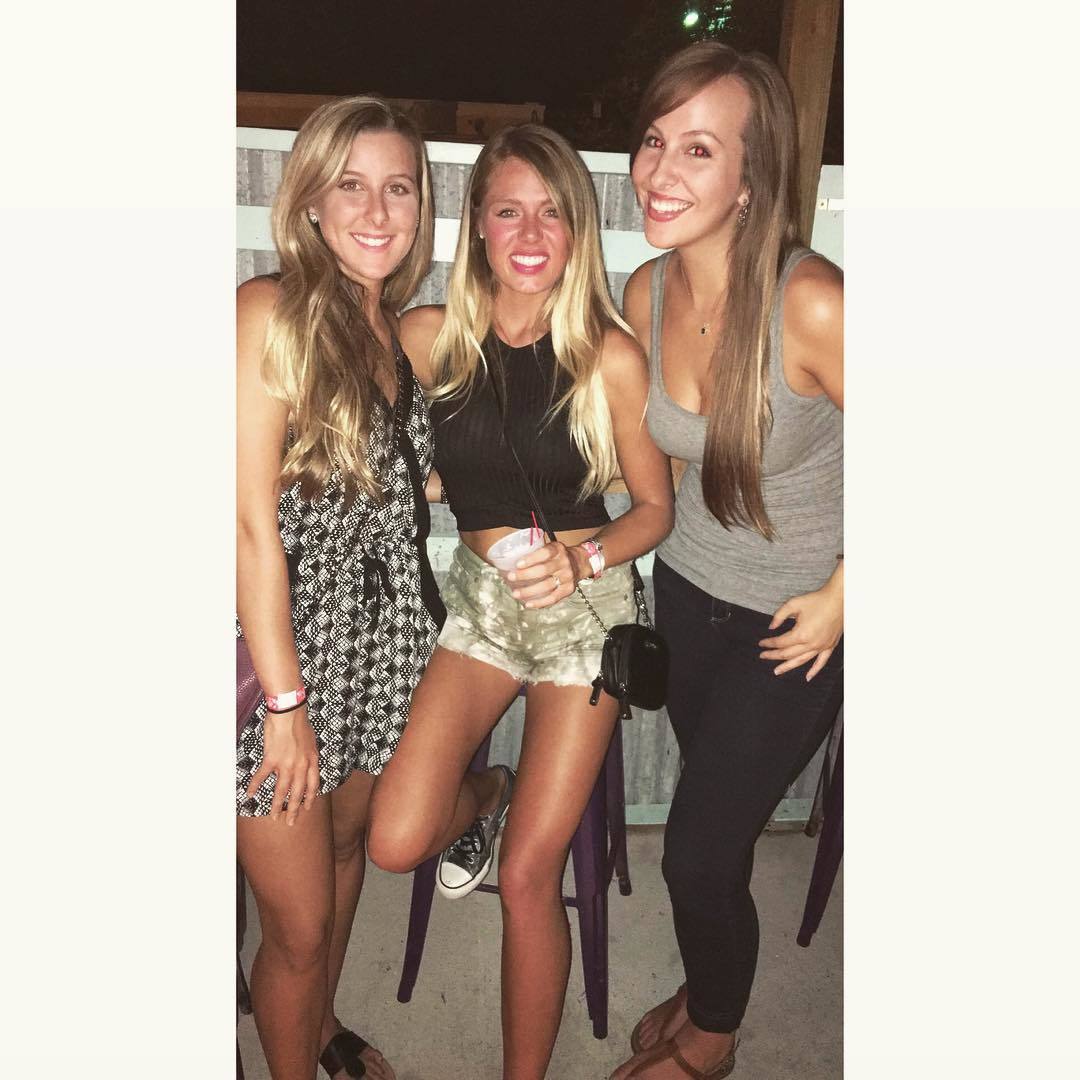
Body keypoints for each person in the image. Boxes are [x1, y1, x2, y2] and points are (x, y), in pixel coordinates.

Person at [366, 123, 674, 1078]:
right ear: (478, 224)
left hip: (588, 619)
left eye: (551, 212)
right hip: (483, 607)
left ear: (577, 228)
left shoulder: (609, 357)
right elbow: (398, 454)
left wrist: (584, 564)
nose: (530, 233)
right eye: (508, 210)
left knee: (530, 876)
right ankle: (489, 792)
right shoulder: (426, 338)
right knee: (394, 840)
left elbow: (655, 508)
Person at [610, 43, 844, 1080]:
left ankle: (713, 1037)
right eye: (654, 140)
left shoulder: (813, 302)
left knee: (697, 850)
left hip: (796, 620)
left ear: (752, 177)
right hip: (687, 592)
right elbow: (648, 462)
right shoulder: (645, 291)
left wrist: (848, 594)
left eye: (698, 150)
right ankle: (711, 981)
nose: (659, 172)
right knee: (718, 835)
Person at [236, 96, 444, 1080]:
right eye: (351, 185)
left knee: (349, 849)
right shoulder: (268, 312)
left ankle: (317, 1027)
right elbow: (246, 524)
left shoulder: (393, 331)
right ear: (311, 200)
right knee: (299, 928)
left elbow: (390, 483)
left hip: (383, 646)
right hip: (282, 657)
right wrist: (286, 706)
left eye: (398, 187)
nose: (376, 209)